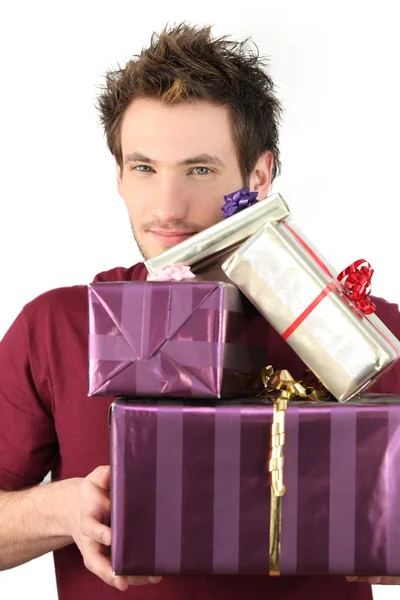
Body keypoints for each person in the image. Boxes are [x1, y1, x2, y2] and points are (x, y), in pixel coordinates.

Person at [0, 22, 399, 600]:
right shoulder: (55, 327)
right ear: (118, 175)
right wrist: (60, 510)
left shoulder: (360, 334)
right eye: (144, 168)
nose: (167, 206)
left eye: (200, 169)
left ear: (259, 177)